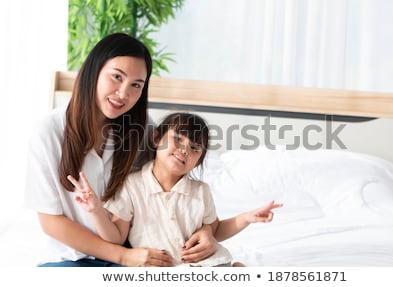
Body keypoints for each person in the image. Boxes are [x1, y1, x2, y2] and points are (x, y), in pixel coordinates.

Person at [23, 33, 217, 267]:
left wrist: (208, 230)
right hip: (72, 257)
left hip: (136, 257)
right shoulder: (49, 132)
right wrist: (122, 256)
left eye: (136, 85)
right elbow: (51, 221)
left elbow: (177, 189)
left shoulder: (145, 130)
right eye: (116, 77)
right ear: (93, 71)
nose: (124, 94)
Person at [69, 112, 283, 266]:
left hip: (208, 266)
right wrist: (96, 210)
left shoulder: (200, 191)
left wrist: (247, 218)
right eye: (178, 139)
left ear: (198, 161)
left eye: (194, 148)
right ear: (156, 139)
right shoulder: (132, 186)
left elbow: (216, 231)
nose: (184, 150)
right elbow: (116, 237)